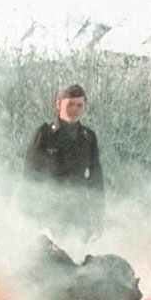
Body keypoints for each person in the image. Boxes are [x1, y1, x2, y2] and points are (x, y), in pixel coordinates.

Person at [23, 84, 104, 241]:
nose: (75, 109)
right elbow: (29, 176)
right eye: (70, 104)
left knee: (79, 263)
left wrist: (98, 218)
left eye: (80, 105)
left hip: (79, 217)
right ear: (58, 104)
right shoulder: (44, 134)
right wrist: (31, 217)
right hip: (49, 216)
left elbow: (96, 181)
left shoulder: (88, 137)